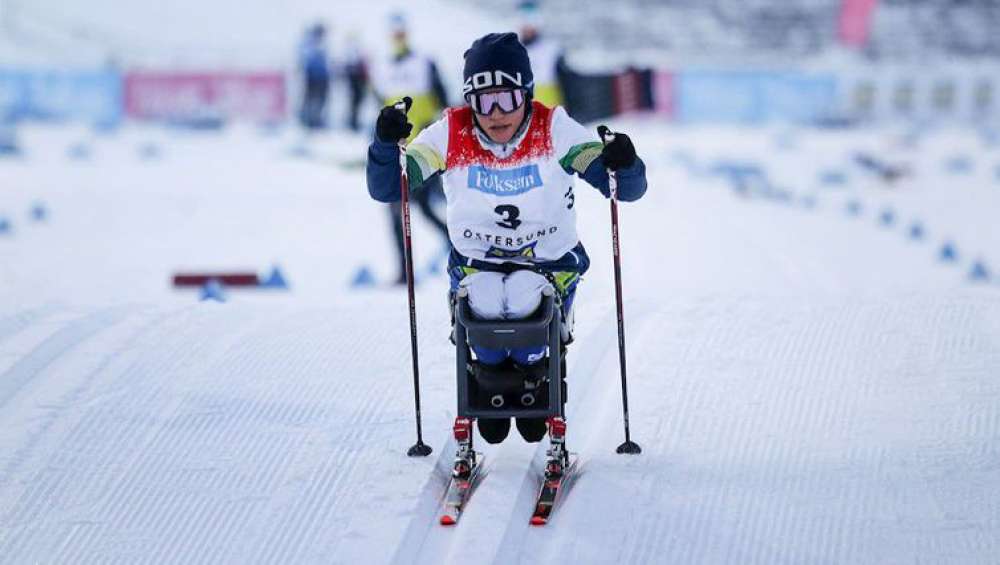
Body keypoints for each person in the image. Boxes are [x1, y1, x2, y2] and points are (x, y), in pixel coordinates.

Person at [366, 33, 646, 458]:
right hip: (477, 264)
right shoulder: (451, 133)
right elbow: (390, 188)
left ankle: (533, 374)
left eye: (506, 99)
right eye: (483, 101)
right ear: (468, 101)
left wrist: (626, 164)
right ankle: (491, 380)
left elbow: (622, 188)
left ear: (527, 93)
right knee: (483, 299)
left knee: (522, 297)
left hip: (549, 264)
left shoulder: (553, 128)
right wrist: (386, 148)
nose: (495, 114)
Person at [369, 13, 450, 283]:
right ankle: (404, 271)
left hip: (424, 149)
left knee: (425, 208)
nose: (398, 38)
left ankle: (456, 248)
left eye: (401, 33)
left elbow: (443, 100)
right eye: (394, 34)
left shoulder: (424, 62)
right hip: (396, 150)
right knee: (393, 209)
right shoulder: (381, 66)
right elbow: (380, 105)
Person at [517, 2, 569, 109]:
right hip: (524, 117)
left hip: (550, 116)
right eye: (523, 22)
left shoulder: (552, 51)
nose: (527, 27)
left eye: (531, 22)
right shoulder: (513, 52)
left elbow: (569, 85)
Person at [297, 23, 331, 130]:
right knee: (310, 98)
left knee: (321, 99)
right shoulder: (309, 43)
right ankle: (307, 119)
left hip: (323, 76)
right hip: (312, 76)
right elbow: (305, 58)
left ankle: (317, 119)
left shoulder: (325, 43)